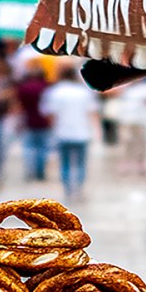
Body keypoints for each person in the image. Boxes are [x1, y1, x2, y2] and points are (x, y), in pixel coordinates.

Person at [40, 66, 99, 199]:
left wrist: (52, 128)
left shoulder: (54, 92)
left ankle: (67, 189)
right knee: (80, 163)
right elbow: (92, 112)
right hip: (82, 132)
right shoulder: (84, 92)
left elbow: (50, 113)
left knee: (65, 163)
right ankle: (79, 189)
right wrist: (96, 130)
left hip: (62, 132)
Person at [13, 61, 53, 181]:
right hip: (44, 121)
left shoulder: (23, 88)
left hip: (28, 120)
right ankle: (40, 172)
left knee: (28, 148)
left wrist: (18, 121)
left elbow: (18, 105)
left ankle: (30, 171)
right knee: (43, 148)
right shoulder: (47, 87)